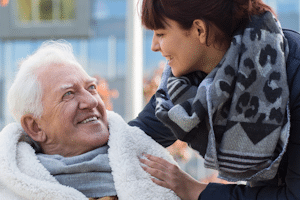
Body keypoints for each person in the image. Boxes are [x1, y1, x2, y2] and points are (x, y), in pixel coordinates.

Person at [129, 0, 300, 199]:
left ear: (200, 30)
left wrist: (193, 189)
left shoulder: (290, 71)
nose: (154, 46)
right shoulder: (188, 81)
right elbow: (135, 136)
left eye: (160, 34)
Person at [0, 41, 179, 200]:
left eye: (91, 87)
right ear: (35, 127)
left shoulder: (151, 166)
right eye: (68, 93)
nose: (92, 101)